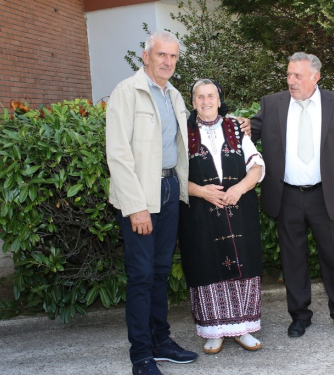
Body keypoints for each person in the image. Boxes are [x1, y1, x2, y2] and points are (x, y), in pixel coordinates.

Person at [250, 52, 334, 338]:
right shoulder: (272, 103)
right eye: (288, 74)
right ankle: (299, 316)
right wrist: (230, 125)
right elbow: (250, 131)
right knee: (293, 259)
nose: (290, 81)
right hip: (286, 195)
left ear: (315, 77)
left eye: (297, 76)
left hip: (324, 195)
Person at [106, 30, 199, 375]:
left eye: (173, 56)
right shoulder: (126, 92)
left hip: (169, 189)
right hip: (141, 196)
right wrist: (135, 206)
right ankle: (141, 355)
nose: (168, 62)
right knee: (142, 275)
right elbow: (118, 154)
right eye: (162, 55)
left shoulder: (173, 95)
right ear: (146, 56)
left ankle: (161, 342)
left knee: (160, 272)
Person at [179, 79, 265, 354]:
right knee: (205, 262)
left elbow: (257, 165)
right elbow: (173, 174)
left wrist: (239, 188)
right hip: (200, 213)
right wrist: (201, 191)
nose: (206, 101)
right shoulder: (183, 132)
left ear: (219, 99)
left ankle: (244, 329)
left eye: (211, 96)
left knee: (244, 263)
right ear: (192, 102)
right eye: (200, 97)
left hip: (239, 208)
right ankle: (213, 331)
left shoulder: (236, 128)